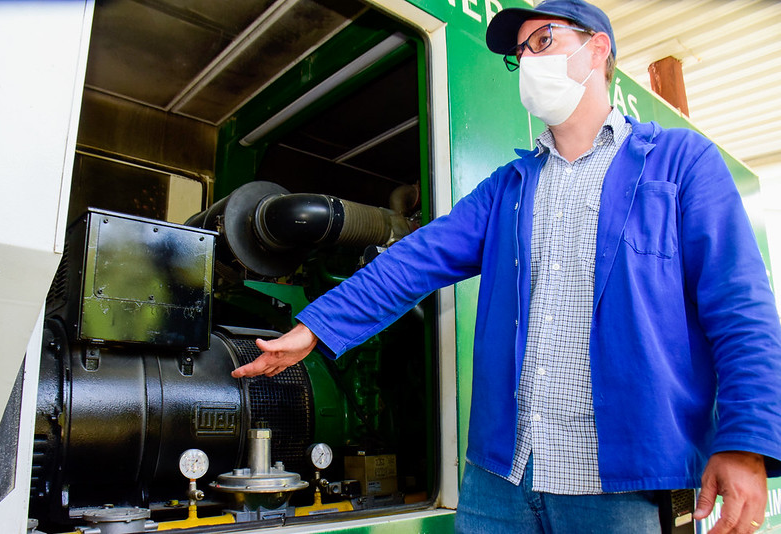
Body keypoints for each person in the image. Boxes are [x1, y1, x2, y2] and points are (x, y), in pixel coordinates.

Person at [232, 0, 781, 532]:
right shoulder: (508, 187)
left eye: (545, 41)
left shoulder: (680, 163)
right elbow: (416, 259)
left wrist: (746, 440)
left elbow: (740, 308)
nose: (530, 63)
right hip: (502, 488)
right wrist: (314, 328)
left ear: (597, 51)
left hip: (622, 491)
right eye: (522, 53)